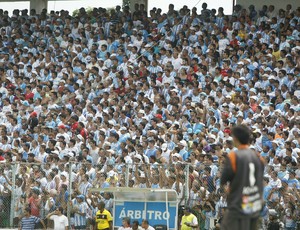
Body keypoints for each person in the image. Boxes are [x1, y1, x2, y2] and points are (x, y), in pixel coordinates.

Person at [220, 125, 264, 230]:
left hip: (238, 203)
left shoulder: (234, 156)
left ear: (235, 138)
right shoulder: (259, 158)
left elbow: (223, 179)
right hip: (254, 203)